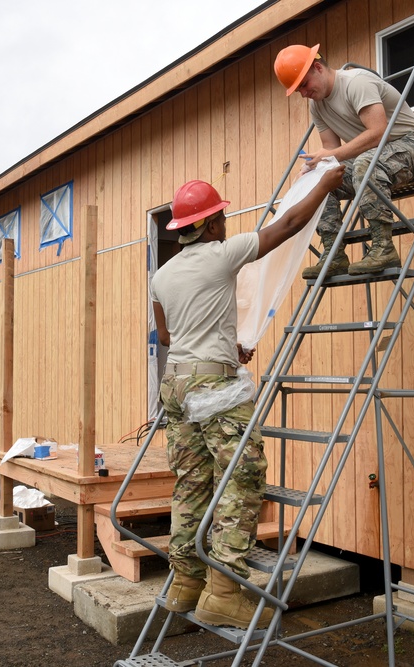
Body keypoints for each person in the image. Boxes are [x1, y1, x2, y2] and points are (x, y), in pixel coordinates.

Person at [150, 167, 343, 629]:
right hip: (213, 387)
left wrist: (222, 342)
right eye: (221, 219)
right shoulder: (223, 253)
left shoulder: (162, 274)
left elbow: (164, 334)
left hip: (175, 382)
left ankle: (184, 582)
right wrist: (324, 185)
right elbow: (290, 225)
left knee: (192, 482)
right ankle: (224, 590)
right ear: (212, 224)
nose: (224, 226)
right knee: (241, 476)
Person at [273, 43, 414, 279]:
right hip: (371, 157)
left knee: (364, 165)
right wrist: (312, 167)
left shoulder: (356, 83)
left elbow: (378, 132)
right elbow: (331, 148)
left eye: (304, 85)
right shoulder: (316, 106)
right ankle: (334, 254)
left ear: (317, 68)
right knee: (319, 180)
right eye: (297, 90)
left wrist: (329, 157)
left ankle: (383, 248)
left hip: (413, 147)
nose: (303, 93)